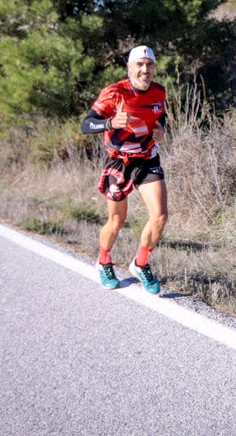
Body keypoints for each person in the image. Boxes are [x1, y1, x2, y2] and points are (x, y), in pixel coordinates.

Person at [80, 45, 168, 294]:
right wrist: (109, 122)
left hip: (147, 159)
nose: (145, 69)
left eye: (149, 64)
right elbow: (86, 125)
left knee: (160, 216)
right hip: (119, 162)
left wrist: (161, 129)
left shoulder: (159, 91)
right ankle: (104, 261)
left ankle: (140, 263)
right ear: (129, 67)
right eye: (139, 64)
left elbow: (161, 116)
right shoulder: (113, 93)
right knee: (117, 221)